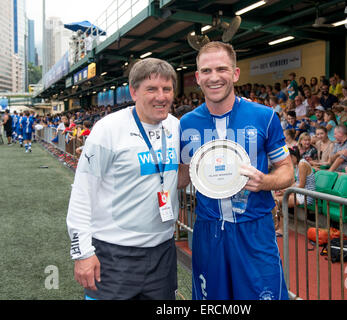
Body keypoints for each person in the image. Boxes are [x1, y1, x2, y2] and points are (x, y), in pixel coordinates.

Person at [178, 41, 294, 300]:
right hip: (208, 230)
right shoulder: (186, 123)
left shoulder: (264, 116)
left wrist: (265, 181)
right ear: (197, 77)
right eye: (206, 71)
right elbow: (183, 175)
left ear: (235, 73)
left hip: (254, 228)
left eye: (222, 69)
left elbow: (287, 171)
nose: (214, 77)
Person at [66, 58, 180, 300]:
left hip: (162, 252)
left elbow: (178, 175)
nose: (161, 96)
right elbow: (82, 193)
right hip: (113, 253)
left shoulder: (177, 127)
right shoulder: (107, 129)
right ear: (134, 92)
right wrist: (82, 253)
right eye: (152, 89)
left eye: (167, 89)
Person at [275, 146, 316, 233]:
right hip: (300, 193)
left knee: (277, 201)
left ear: (293, 157)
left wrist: (287, 190)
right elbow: (297, 183)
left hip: (306, 195)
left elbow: (301, 185)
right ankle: (278, 226)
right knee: (276, 197)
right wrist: (285, 189)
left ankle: (281, 228)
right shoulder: (298, 165)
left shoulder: (302, 164)